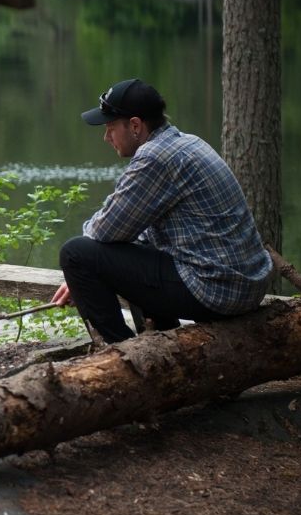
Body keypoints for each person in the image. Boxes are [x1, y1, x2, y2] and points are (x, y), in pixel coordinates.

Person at [51, 78, 273, 343]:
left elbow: (105, 229)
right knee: (125, 248)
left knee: (75, 254)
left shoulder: (154, 157)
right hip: (247, 283)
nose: (106, 137)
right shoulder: (187, 142)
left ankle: (122, 355)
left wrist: (78, 273)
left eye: (110, 127)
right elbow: (131, 232)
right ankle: (160, 342)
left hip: (219, 289)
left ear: (134, 125)